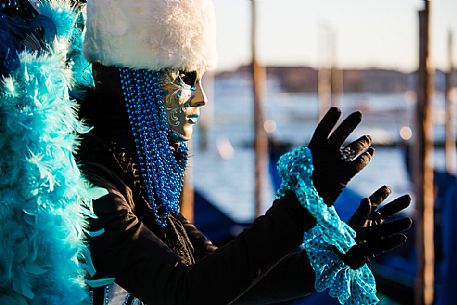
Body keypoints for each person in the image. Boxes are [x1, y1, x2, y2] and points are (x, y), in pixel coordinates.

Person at [0, 1, 412, 304]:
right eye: (186, 79)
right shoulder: (90, 182)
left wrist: (333, 254)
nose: (201, 99)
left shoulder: (134, 176)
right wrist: (300, 207)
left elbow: (224, 274)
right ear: (136, 82)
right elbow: (187, 294)